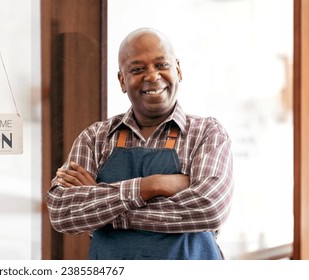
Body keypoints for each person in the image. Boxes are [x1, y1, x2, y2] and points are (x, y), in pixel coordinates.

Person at [46, 27, 234, 260]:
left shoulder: (207, 134)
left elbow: (209, 208)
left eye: (161, 65)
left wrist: (105, 212)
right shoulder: (94, 138)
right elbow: (62, 212)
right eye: (137, 69)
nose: (153, 76)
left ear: (178, 70)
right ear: (122, 80)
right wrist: (151, 186)